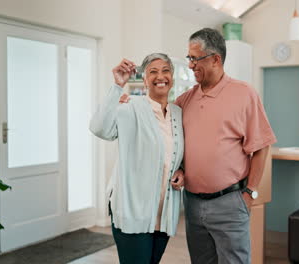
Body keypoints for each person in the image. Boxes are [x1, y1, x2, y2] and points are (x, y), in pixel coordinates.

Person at [174, 28, 277, 264]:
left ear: (215, 59)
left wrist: (250, 192)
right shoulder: (185, 99)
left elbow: (261, 147)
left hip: (230, 202)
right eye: (189, 58)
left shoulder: (244, 94)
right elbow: (172, 138)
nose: (190, 65)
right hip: (192, 204)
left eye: (193, 58)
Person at [90, 53, 185, 264]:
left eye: (165, 70)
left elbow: (177, 154)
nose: (160, 76)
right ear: (144, 80)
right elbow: (99, 128)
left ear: (172, 77)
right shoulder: (131, 106)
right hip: (133, 211)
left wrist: (182, 171)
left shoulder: (178, 113)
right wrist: (117, 87)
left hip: (164, 213)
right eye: (153, 71)